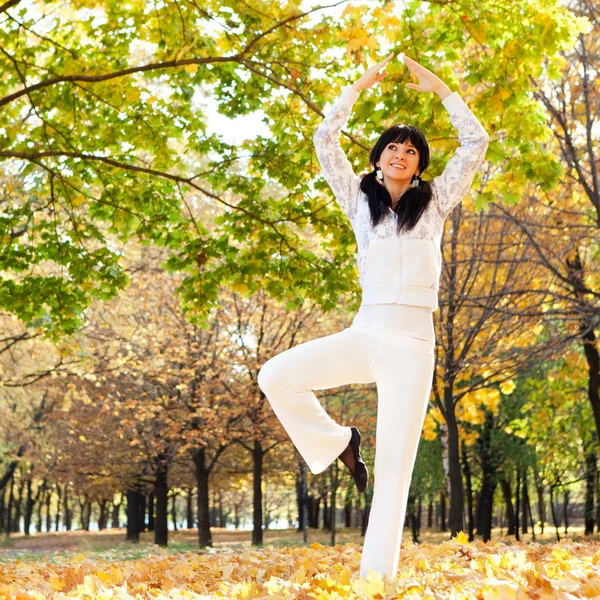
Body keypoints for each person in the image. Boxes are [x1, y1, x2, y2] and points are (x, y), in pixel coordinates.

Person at [257, 51, 489, 581]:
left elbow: (476, 143)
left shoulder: (436, 202)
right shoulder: (357, 200)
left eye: (411, 151)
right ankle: (339, 442)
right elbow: (324, 139)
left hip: (412, 347)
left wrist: (442, 90)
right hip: (367, 333)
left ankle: (373, 583)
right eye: (392, 148)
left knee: (393, 476)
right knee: (276, 375)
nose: (401, 155)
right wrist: (360, 84)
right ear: (378, 158)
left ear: (420, 164)